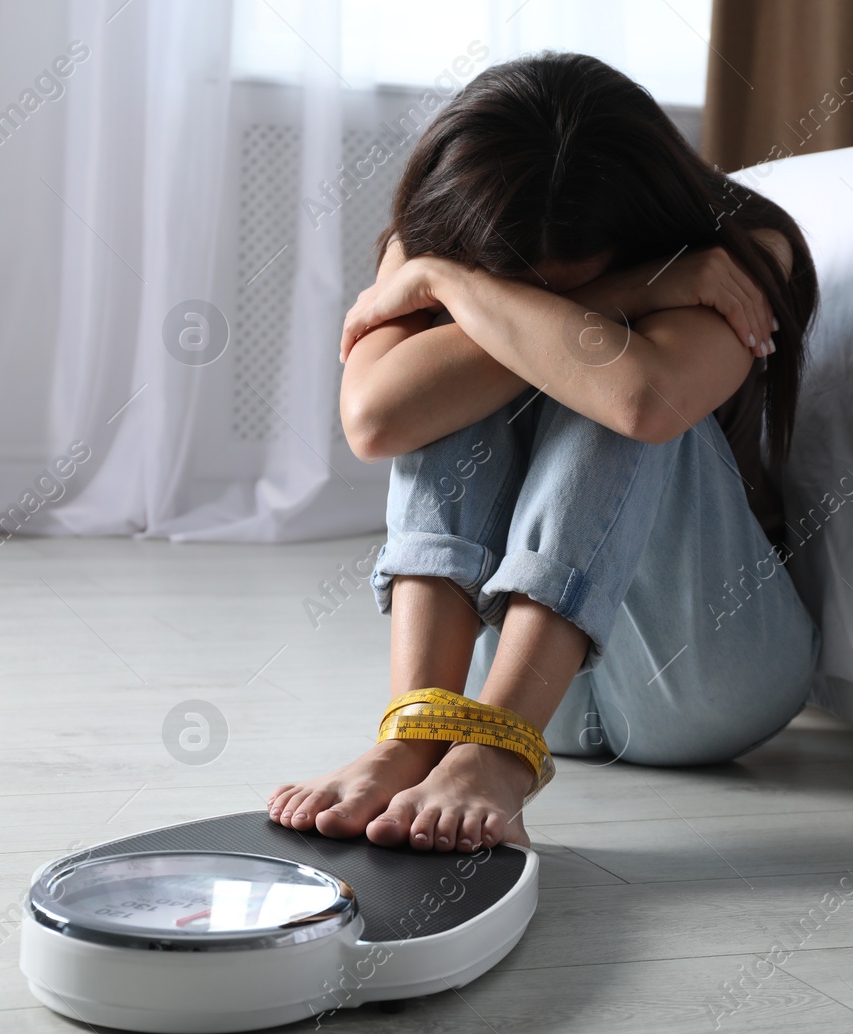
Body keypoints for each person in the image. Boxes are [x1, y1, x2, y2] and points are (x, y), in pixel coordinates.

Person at [269, 51, 820, 854]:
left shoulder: (739, 251)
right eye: (481, 275)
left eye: (579, 276)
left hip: (709, 672)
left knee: (607, 375)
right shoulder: (438, 241)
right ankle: (416, 736)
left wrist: (463, 298)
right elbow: (377, 418)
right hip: (510, 678)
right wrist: (475, 287)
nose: (454, 282)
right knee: (453, 387)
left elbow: (643, 400)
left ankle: (496, 756)